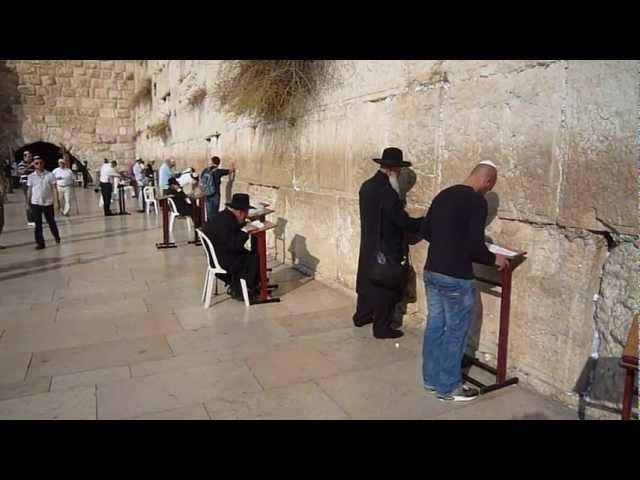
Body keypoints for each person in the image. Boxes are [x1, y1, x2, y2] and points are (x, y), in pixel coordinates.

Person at [420, 160, 510, 402]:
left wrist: (448, 243)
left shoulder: (443, 194)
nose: (487, 192)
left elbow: (426, 231)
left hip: (432, 271)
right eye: (490, 187)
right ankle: (449, 387)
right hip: (455, 276)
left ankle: (431, 380)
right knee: (456, 331)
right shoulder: (476, 201)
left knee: (435, 326)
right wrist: (494, 259)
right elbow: (474, 246)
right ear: (487, 180)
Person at [353, 147, 422, 339]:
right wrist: (423, 223)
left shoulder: (367, 186)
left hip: (369, 243)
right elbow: (401, 221)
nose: (399, 175)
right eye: (399, 171)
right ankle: (381, 328)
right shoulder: (387, 192)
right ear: (393, 170)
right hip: (386, 246)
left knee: (367, 281)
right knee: (386, 286)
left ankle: (362, 316)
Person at [203, 193, 260, 300]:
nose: (246, 216)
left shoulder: (223, 216)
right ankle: (244, 289)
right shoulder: (227, 221)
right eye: (246, 214)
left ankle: (239, 285)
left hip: (215, 257)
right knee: (254, 257)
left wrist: (243, 227)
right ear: (240, 212)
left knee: (248, 254)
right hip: (224, 260)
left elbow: (230, 232)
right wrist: (245, 231)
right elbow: (235, 245)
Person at [27, 155, 60, 249]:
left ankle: (56, 237)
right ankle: (40, 243)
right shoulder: (31, 177)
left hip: (48, 203)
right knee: (38, 224)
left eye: (41, 163)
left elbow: (54, 188)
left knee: (51, 222)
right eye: (37, 163)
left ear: (43, 163)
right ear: (34, 164)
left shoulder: (50, 174)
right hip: (35, 203)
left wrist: (56, 201)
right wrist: (27, 203)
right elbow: (29, 190)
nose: (39, 165)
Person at [200, 156, 235, 221]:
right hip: (216, 194)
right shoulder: (218, 171)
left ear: (212, 162)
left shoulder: (205, 170)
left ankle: (209, 226)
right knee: (215, 213)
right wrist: (232, 164)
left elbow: (201, 179)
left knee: (208, 213)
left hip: (207, 194)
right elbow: (231, 171)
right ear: (218, 163)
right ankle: (214, 226)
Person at [17, 150, 36, 226]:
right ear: (24, 157)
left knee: (34, 200)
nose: (30, 158)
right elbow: (21, 172)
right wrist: (30, 165)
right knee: (28, 200)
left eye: (31, 156)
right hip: (25, 184)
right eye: (28, 156)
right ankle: (30, 219)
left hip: (33, 184)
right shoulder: (21, 164)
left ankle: (35, 217)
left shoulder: (34, 164)